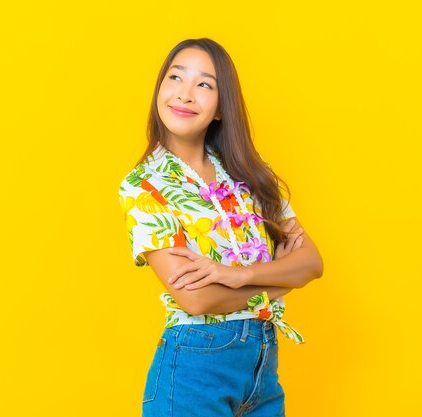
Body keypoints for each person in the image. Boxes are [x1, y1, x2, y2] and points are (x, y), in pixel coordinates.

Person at [117, 38, 324, 417]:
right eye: (175, 77)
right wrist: (281, 279)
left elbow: (311, 263)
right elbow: (196, 300)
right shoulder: (144, 186)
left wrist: (233, 276)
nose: (185, 94)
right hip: (195, 368)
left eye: (205, 84)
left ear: (219, 108)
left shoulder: (250, 172)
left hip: (262, 366)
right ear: (159, 88)